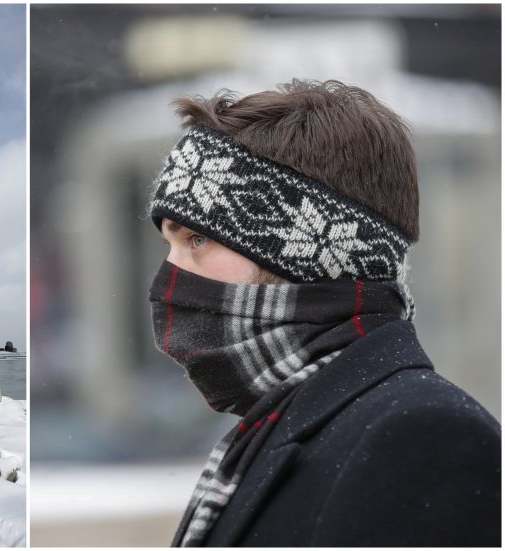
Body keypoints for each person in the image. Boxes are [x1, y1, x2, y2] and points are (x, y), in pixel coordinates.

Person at [146, 79, 500, 547]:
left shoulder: (420, 436)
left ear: (306, 252)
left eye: (196, 240)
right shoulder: (288, 424)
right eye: (169, 244)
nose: (167, 278)